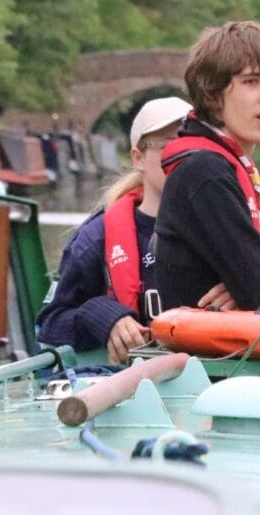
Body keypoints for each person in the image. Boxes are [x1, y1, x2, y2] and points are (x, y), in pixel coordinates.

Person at [36, 96, 192, 363]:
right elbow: (50, 325)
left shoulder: (225, 229)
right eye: (168, 147)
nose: (182, 157)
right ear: (138, 158)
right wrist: (100, 315)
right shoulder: (95, 239)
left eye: (193, 146)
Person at [154, 21, 260, 312]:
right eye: (252, 81)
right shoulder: (205, 174)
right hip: (200, 356)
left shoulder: (226, 167)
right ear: (214, 94)